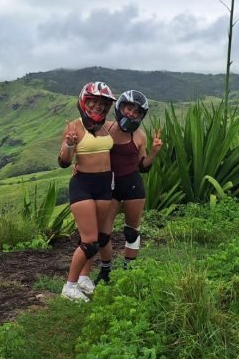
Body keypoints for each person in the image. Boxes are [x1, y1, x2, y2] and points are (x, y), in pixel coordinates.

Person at [92, 90, 162, 284]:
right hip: (110, 186)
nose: (131, 114)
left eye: (136, 112)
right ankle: (105, 271)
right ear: (120, 107)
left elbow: (142, 167)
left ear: (141, 116)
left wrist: (154, 152)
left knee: (132, 230)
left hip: (132, 185)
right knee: (103, 234)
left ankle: (128, 271)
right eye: (129, 108)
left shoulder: (139, 136)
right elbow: (91, 149)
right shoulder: (105, 128)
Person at [57, 81, 116, 302]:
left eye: (102, 104)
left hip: (104, 185)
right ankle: (69, 285)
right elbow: (63, 161)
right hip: (83, 184)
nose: (98, 107)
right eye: (93, 102)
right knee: (89, 241)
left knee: (99, 238)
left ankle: (84, 277)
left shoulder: (106, 127)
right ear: (84, 101)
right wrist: (70, 145)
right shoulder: (74, 127)